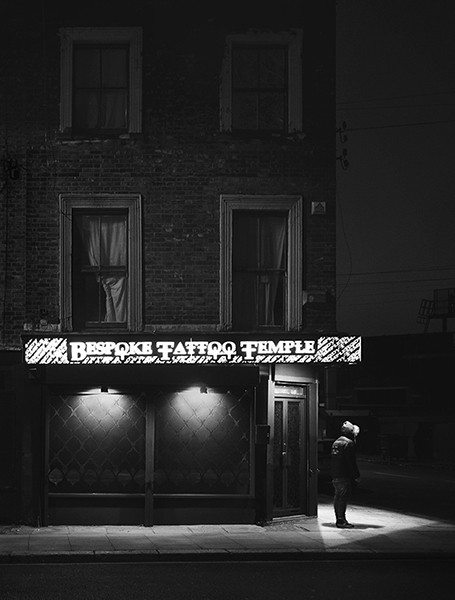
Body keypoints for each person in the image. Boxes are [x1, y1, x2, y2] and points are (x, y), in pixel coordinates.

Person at [330, 421, 360, 528]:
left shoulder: (336, 442)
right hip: (344, 475)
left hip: (335, 474)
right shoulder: (349, 443)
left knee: (337, 497)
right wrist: (356, 476)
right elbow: (351, 462)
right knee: (342, 498)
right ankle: (341, 521)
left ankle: (339, 518)